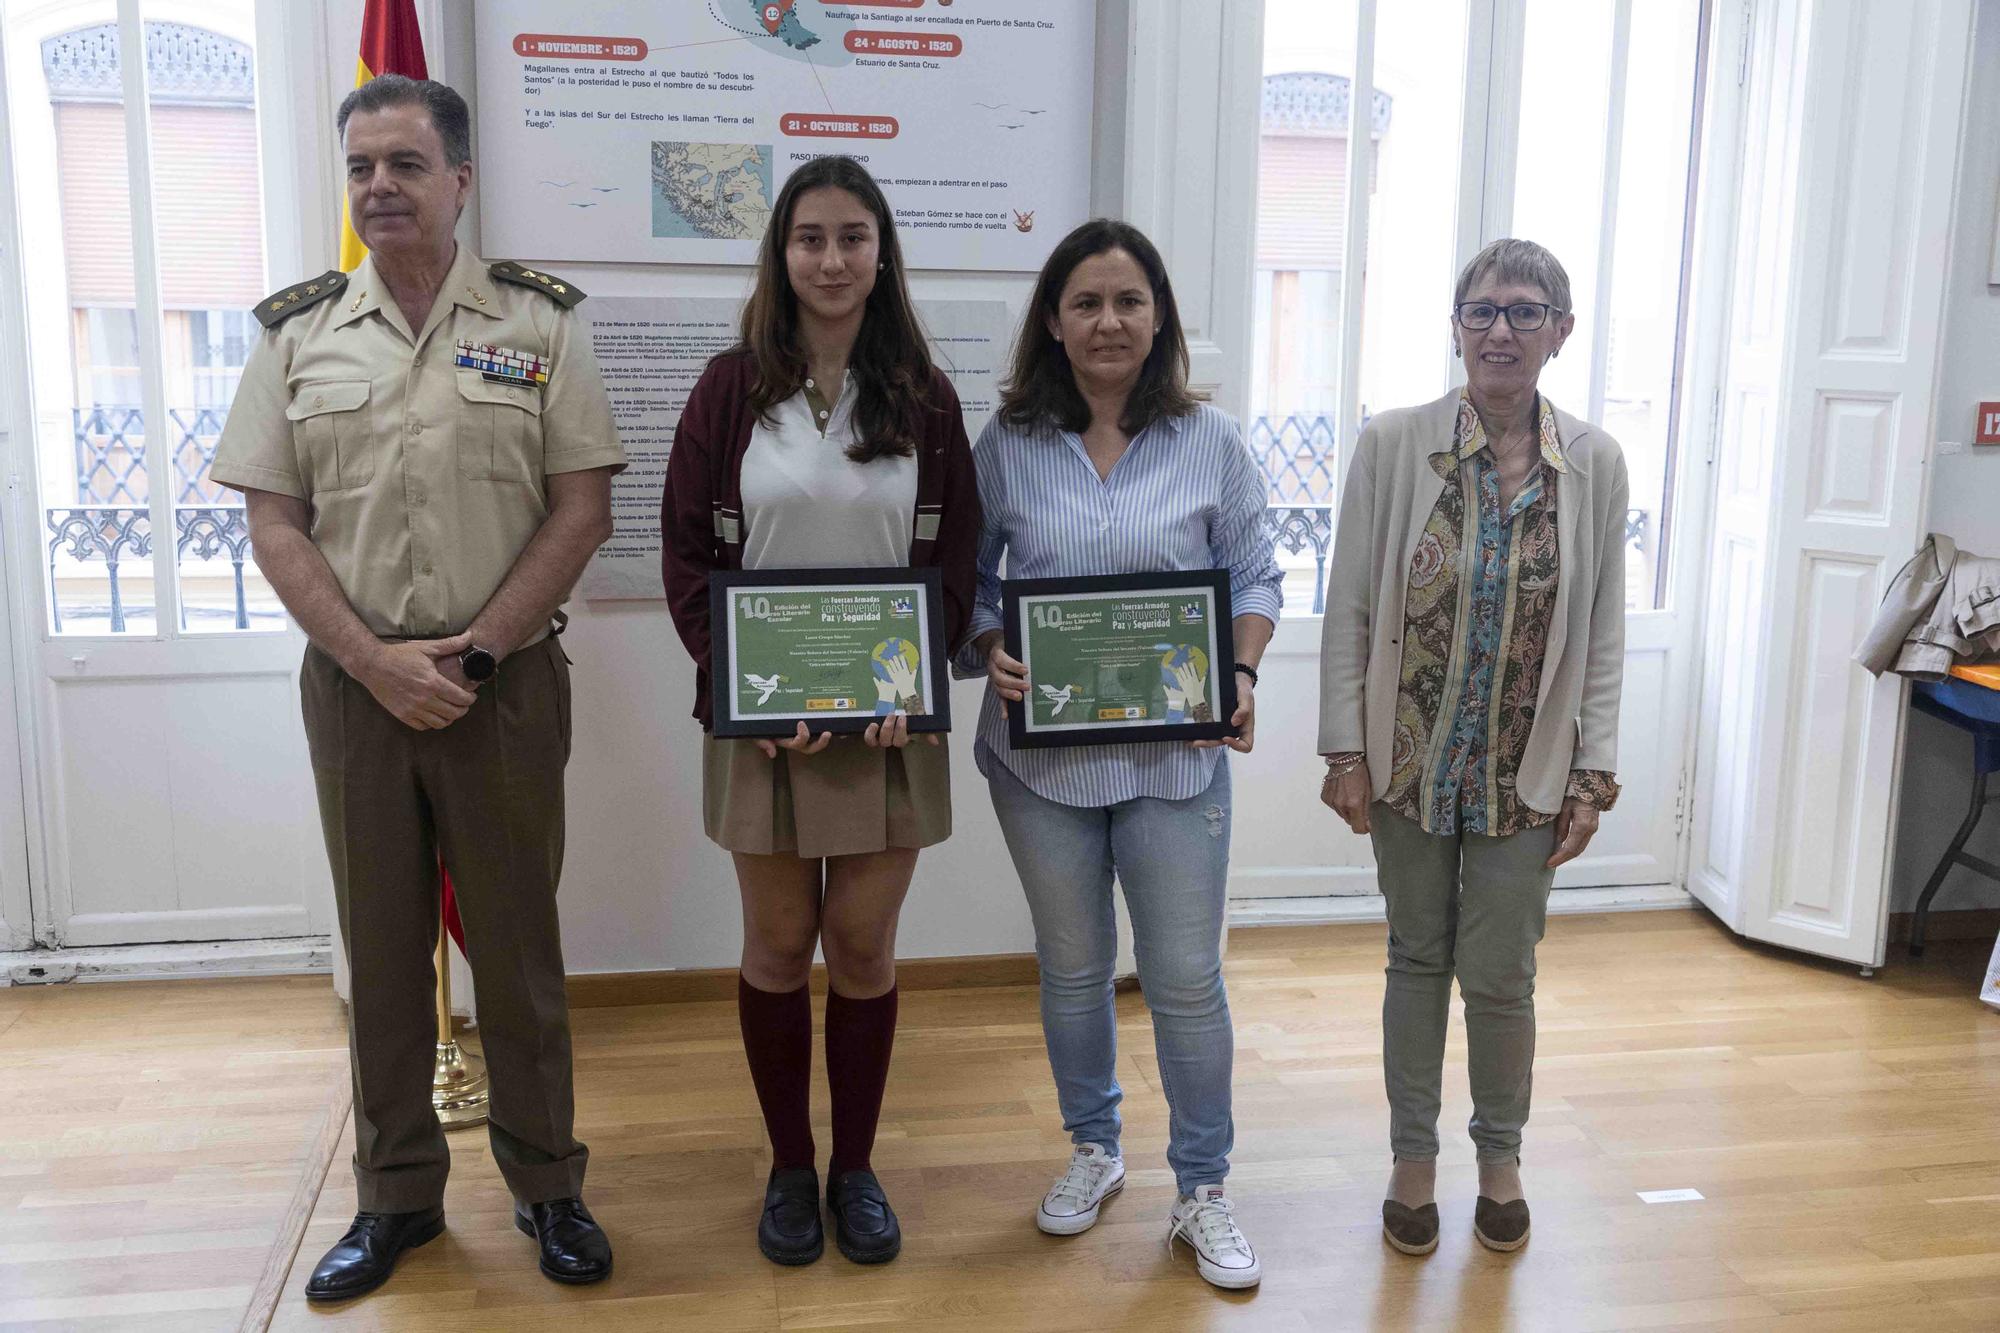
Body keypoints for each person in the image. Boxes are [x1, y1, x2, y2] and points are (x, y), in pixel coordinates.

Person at [212, 76, 625, 1299]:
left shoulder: (542, 324)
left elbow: (580, 508)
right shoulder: (297, 334)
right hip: (355, 689)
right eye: (359, 168)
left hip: (503, 688)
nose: (377, 187)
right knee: (381, 954)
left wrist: (477, 654)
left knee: (518, 951)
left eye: (402, 163)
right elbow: (275, 525)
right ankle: (397, 1199)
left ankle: (549, 1184)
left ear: (459, 180)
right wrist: (374, 661)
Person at [659, 155, 979, 1268]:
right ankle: (790, 1166)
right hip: (768, 724)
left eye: (852, 236)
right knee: (777, 942)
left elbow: (952, 562)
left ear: (880, 251)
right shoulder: (725, 389)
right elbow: (689, 560)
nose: (832, 258)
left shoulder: (925, 396)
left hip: (892, 725)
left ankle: (856, 1168)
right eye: (810, 237)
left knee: (861, 945)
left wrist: (918, 679)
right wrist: (750, 693)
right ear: (780, 253)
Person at [964, 219, 1283, 1291]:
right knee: (1071, 970)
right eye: (1086, 303)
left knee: (1185, 981)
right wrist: (990, 649)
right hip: (1039, 763)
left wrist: (1235, 677)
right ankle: (1094, 1151)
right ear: (1052, 322)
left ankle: (1201, 1187)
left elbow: (1255, 578)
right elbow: (965, 590)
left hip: (1175, 760)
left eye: (1128, 302)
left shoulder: (1212, 439)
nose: (1108, 322)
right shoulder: (1005, 443)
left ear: (1158, 319)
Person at [1317, 238, 1627, 1256]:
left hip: (1522, 769)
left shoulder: (1593, 462)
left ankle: (1500, 1159)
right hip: (1406, 760)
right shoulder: (1392, 444)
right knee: (1416, 955)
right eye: (1482, 310)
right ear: (1454, 326)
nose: (1500, 330)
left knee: (1501, 975)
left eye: (1524, 312)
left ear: (1559, 332)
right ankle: (1413, 1158)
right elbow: (1351, 604)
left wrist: (1592, 771)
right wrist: (1341, 751)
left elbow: (1601, 631)